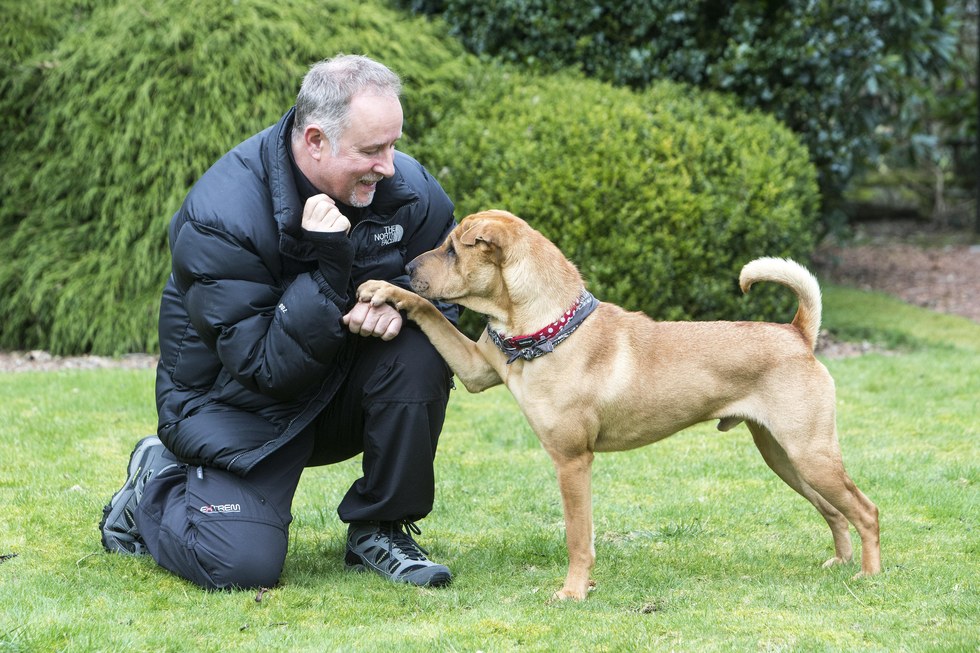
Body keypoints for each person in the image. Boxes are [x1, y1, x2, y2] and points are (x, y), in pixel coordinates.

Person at [99, 54, 459, 590]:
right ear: (315, 140)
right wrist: (331, 266)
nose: (389, 165)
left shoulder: (407, 189)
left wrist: (400, 303)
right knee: (241, 567)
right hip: (235, 403)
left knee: (424, 341)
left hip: (333, 384)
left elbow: (448, 294)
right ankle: (153, 484)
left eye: (392, 144)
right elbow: (264, 367)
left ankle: (380, 529)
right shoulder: (221, 216)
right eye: (371, 150)